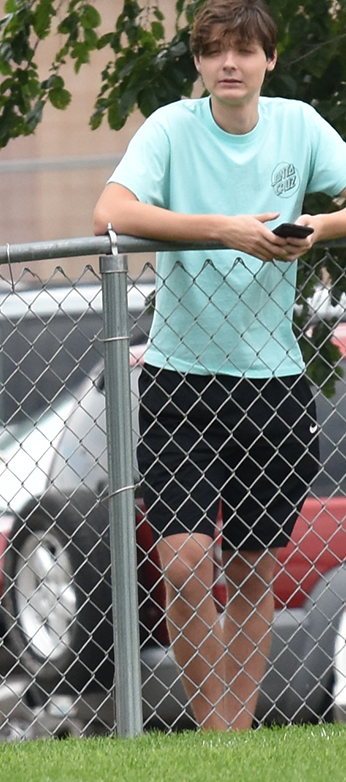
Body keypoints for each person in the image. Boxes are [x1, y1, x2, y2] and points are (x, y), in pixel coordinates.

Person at [93, 0, 346, 731]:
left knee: (251, 574)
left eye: (242, 51)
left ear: (268, 59)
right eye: (213, 52)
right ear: (199, 64)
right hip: (179, 383)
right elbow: (107, 213)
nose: (227, 64)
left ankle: (232, 739)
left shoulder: (299, 126)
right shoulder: (173, 128)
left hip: (274, 390)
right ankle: (214, 730)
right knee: (181, 565)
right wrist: (225, 230)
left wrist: (316, 229)